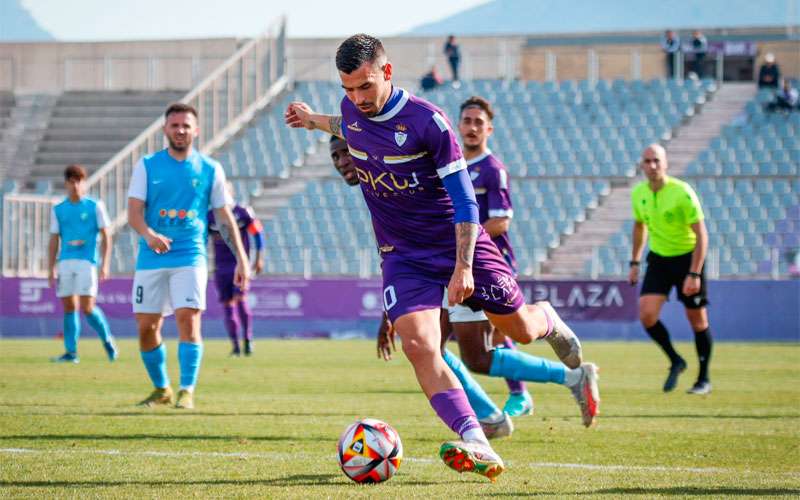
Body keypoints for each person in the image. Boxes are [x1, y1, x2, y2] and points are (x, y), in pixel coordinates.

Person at [286, 34, 594, 481]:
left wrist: (464, 266)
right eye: (348, 88)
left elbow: (467, 203)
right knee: (420, 346)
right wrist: (313, 120)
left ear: (387, 73)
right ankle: (477, 439)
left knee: (519, 329)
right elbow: (346, 125)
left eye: (365, 87)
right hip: (401, 254)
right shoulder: (353, 109)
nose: (357, 98)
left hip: (456, 245)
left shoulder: (429, 122)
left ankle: (546, 317)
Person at [332, 133, 517, 438]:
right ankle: (485, 420)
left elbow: (465, 210)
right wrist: (389, 312)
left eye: (345, 153)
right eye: (335, 157)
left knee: (497, 341)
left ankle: (560, 375)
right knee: (430, 347)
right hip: (432, 267)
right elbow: (396, 251)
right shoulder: (377, 188)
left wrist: (463, 264)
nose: (341, 162)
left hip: (459, 259)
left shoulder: (399, 173)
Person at [128, 103, 250, 410]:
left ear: (196, 130)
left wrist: (242, 259)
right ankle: (161, 389)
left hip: (190, 255)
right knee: (146, 328)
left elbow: (224, 218)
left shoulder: (210, 169)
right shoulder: (147, 165)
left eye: (186, 126)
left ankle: (186, 389)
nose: (180, 130)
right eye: (175, 125)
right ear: (165, 130)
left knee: (188, 318)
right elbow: (133, 214)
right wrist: (149, 235)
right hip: (151, 257)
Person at [628, 144, 713, 395]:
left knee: (697, 320)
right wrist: (634, 262)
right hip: (659, 259)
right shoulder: (638, 193)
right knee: (647, 315)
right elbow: (639, 226)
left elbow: (701, 235)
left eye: (656, 161)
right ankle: (676, 360)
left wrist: (695, 272)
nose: (652, 166)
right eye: (647, 161)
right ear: (641, 165)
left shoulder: (682, 192)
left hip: (687, 259)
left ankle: (703, 380)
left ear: (665, 163)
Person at [48, 164, 117, 363]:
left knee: (87, 307)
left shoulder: (95, 206)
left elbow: (106, 235)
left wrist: (105, 264)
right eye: (71, 181)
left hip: (87, 261)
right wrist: (50, 267)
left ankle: (107, 339)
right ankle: (71, 353)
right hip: (66, 262)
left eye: (79, 181)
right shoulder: (59, 209)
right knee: (69, 307)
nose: (75, 185)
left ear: (84, 183)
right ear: (66, 183)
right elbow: (54, 239)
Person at [207, 182, 265, 356]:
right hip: (220, 267)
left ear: (231, 193)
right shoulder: (210, 216)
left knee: (241, 299)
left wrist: (258, 258)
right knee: (227, 305)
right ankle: (235, 346)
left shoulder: (242, 212)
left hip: (239, 265)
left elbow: (258, 234)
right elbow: (202, 239)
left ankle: (247, 340)